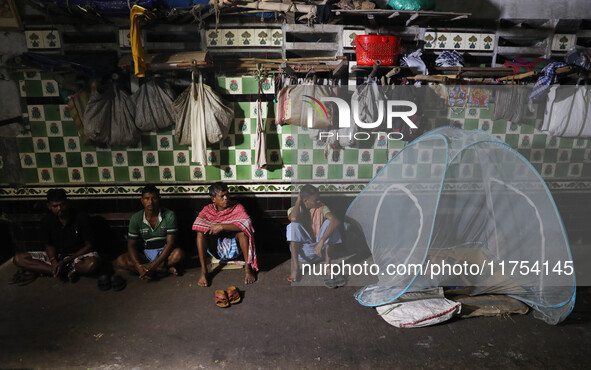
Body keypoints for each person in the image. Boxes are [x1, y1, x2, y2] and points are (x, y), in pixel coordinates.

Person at [11, 188, 99, 284]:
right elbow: (49, 245)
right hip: (57, 256)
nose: (59, 208)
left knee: (91, 264)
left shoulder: (81, 217)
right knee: (18, 259)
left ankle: (51, 270)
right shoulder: (47, 221)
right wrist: (53, 261)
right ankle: (61, 271)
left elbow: (89, 245)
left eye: (62, 204)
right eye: (55, 206)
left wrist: (66, 261)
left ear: (68, 202)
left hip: (77, 256)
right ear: (49, 206)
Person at [192, 182, 258, 287]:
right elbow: (197, 225)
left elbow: (247, 223)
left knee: (243, 232)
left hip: (235, 248)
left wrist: (222, 226)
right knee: (200, 234)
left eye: (227, 194)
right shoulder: (207, 210)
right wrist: (215, 228)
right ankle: (204, 272)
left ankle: (248, 269)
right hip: (216, 248)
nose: (226, 198)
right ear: (213, 199)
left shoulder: (237, 207)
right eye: (221, 196)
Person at [115, 185, 184, 280]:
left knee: (178, 254)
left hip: (164, 253)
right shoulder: (136, 218)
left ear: (159, 199)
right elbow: (131, 244)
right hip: (145, 253)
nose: (150, 202)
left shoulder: (169, 215)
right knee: (120, 261)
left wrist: (154, 265)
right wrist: (138, 265)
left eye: (154, 198)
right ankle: (163, 270)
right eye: (147, 199)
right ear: (142, 200)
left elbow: (171, 243)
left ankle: (152, 270)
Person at [286, 184, 342, 284]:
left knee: (330, 223)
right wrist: (298, 201)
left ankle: (327, 266)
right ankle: (295, 267)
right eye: (316, 200)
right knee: (293, 226)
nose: (318, 201)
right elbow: (293, 218)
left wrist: (321, 241)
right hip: (303, 254)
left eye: (318, 199)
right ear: (305, 201)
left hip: (320, 252)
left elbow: (336, 221)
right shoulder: (295, 209)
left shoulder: (322, 207)